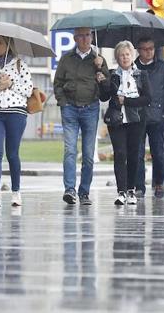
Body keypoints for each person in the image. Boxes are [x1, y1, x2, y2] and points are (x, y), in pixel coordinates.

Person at [53, 27, 109, 205]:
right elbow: (58, 83)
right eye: (81, 36)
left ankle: (84, 192)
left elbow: (107, 89)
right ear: (75, 38)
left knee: (88, 154)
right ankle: (70, 190)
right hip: (70, 108)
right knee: (70, 150)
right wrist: (62, 102)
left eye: (87, 35)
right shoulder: (66, 58)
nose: (85, 39)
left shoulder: (98, 59)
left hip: (91, 108)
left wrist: (102, 73)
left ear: (92, 37)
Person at [0, 35, 33, 207]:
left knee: (12, 153)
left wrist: (10, 84)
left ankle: (16, 192)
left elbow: (28, 90)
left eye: (0, 42)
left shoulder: (20, 66)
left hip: (16, 113)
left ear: (8, 45)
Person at [99, 41, 150, 205]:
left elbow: (147, 99)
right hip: (116, 120)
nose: (125, 57)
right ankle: (121, 191)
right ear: (117, 58)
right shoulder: (113, 74)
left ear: (132, 56)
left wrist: (126, 101)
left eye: (127, 54)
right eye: (121, 55)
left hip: (136, 120)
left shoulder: (142, 75)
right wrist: (102, 81)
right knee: (120, 154)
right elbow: (104, 97)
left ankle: (131, 190)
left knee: (134, 155)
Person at [134, 37, 164, 198]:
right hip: (137, 115)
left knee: (158, 152)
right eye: (145, 48)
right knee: (138, 153)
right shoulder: (133, 66)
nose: (148, 51)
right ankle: (139, 186)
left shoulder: (163, 67)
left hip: (158, 117)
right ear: (138, 50)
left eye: (151, 48)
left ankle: (159, 183)